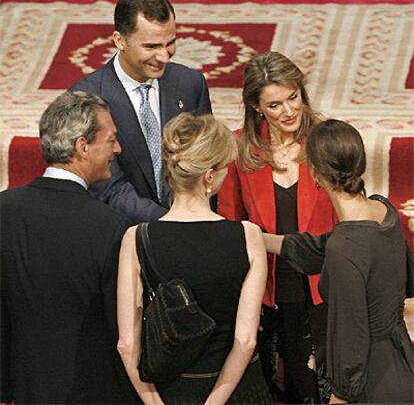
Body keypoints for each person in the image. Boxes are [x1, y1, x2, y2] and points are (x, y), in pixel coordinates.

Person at [116, 113, 273, 404]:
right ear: (209, 177)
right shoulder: (248, 236)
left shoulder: (135, 238)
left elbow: (127, 345)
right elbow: (246, 340)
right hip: (237, 391)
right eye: (226, 168)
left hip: (171, 390)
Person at [0, 91, 140, 403]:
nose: (117, 149)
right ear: (82, 146)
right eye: (111, 140)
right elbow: (121, 329)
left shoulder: (3, 211)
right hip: (96, 392)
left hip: (26, 390)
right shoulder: (112, 227)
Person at [264, 119, 414, 403]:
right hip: (402, 364)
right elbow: (323, 248)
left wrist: (339, 396)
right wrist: (262, 239)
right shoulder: (383, 209)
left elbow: (350, 334)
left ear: (317, 174)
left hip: (372, 384)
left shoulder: (344, 248)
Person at [217, 51, 337, 403]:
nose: (288, 111)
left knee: (313, 383)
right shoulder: (239, 148)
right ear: (256, 106)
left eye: (293, 98)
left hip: (320, 287)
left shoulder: (326, 140)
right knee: (269, 386)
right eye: (274, 105)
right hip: (266, 287)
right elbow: (230, 226)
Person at [70, 0, 212, 223]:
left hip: (191, 229)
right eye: (151, 46)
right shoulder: (86, 99)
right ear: (120, 41)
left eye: (171, 43)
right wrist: (171, 223)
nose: (164, 56)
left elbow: (206, 163)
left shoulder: (191, 85)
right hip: (122, 234)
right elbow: (109, 189)